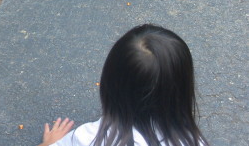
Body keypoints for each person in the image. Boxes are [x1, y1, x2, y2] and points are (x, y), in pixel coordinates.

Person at [39, 24, 210, 146]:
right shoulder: (193, 140)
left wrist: (50, 143)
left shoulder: (88, 138)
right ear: (182, 90)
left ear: (110, 82)